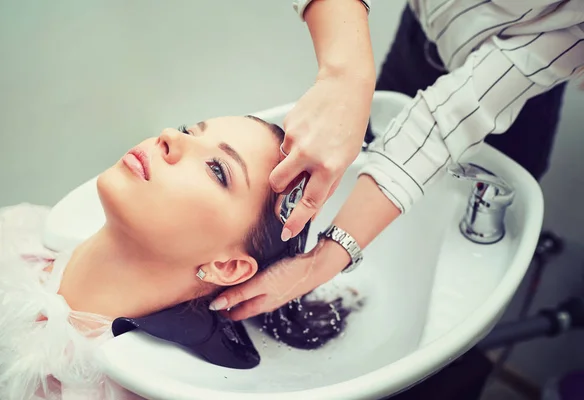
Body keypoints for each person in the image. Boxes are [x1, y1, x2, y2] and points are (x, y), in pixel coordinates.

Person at [212, 0, 584, 319]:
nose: (167, 140)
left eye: (219, 171)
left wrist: (321, 264)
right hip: (419, 38)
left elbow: (444, 124)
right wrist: (345, 74)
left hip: (517, 104)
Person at [0, 115, 356, 400]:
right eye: (189, 130)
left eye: (217, 170)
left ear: (227, 266)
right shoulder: (7, 236)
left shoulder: (110, 390)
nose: (170, 137)